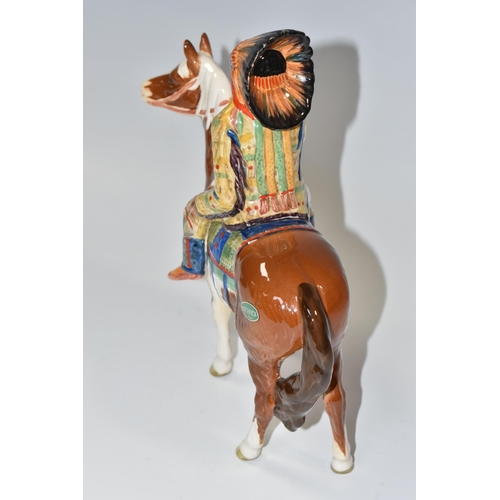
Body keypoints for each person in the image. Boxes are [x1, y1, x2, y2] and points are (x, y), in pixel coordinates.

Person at [169, 30, 315, 280]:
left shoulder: (227, 122)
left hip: (247, 215)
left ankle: (192, 266)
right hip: (298, 206)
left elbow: (228, 199)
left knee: (192, 211)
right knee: (308, 201)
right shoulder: (295, 114)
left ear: (240, 76)